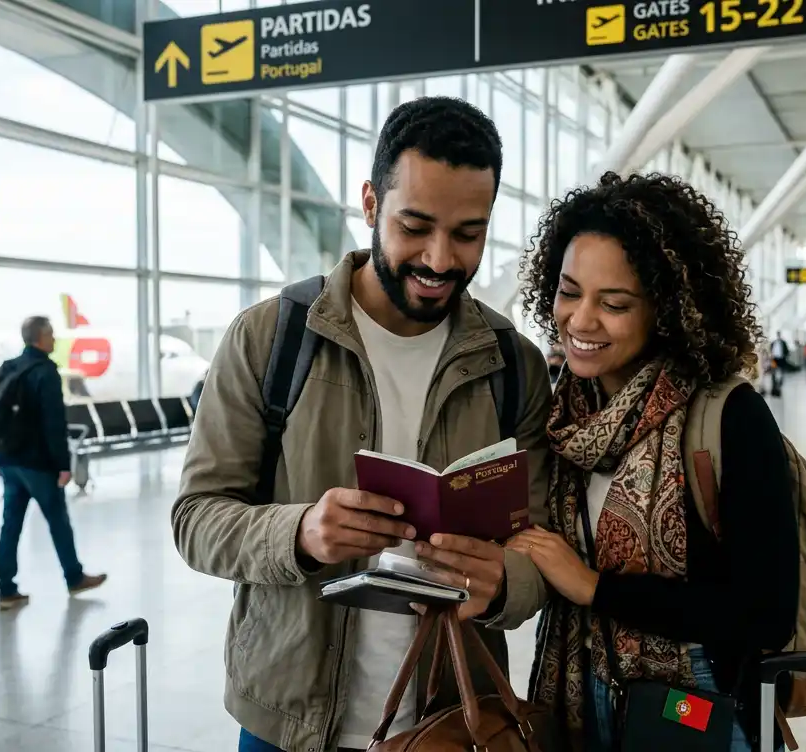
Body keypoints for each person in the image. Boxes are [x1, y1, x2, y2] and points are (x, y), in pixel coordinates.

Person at [170, 96, 553, 752]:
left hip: (450, 722)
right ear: (371, 204)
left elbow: (541, 544)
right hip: (287, 721)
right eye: (415, 226)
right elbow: (196, 519)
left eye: (468, 234)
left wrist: (505, 584)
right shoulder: (270, 339)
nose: (440, 259)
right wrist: (299, 532)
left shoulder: (512, 365)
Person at [505, 172, 798, 751]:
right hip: (578, 698)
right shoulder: (563, 414)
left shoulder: (728, 418)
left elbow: (766, 613)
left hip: (692, 707)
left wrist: (596, 588)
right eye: (569, 292)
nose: (580, 321)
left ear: (666, 309)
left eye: (613, 303)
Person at [0, 316, 107, 610]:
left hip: (9, 461)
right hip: (38, 464)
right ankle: (74, 577)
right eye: (51, 334)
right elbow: (54, 424)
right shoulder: (46, 372)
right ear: (39, 339)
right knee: (58, 522)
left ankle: (6, 590)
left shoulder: (9, 367)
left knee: (10, 526)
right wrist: (64, 466)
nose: (54, 339)